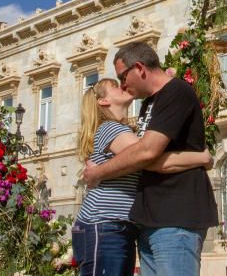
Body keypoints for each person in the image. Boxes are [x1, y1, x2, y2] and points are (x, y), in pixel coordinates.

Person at [82, 42, 219, 276]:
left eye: (122, 78)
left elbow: (147, 154)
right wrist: (201, 158)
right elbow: (144, 155)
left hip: (176, 217)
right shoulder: (148, 103)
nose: (123, 85)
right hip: (151, 220)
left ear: (139, 69)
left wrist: (98, 172)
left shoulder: (175, 93)